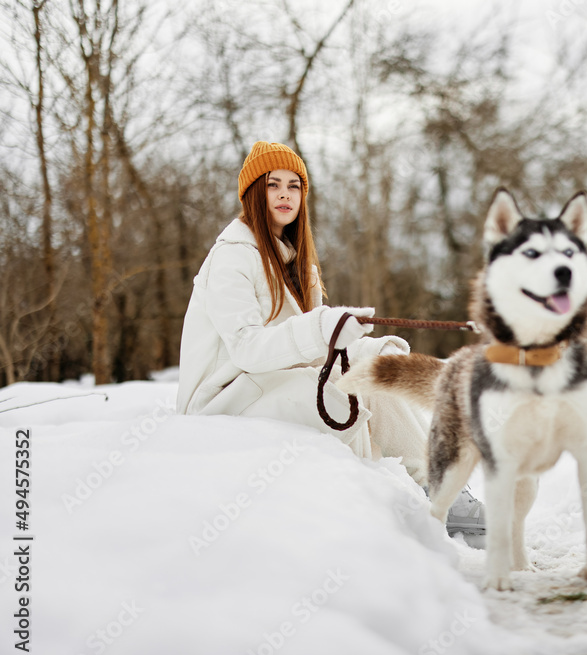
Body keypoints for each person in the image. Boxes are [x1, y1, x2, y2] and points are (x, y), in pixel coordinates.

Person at [175, 141, 484, 535]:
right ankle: (372, 514)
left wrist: (371, 351)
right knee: (325, 394)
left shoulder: (301, 265)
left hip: (271, 382)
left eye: (294, 185)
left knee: (373, 377)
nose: (286, 194)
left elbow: (322, 344)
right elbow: (248, 348)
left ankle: (443, 491)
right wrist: (320, 327)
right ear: (254, 193)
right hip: (223, 396)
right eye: (273, 185)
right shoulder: (232, 256)